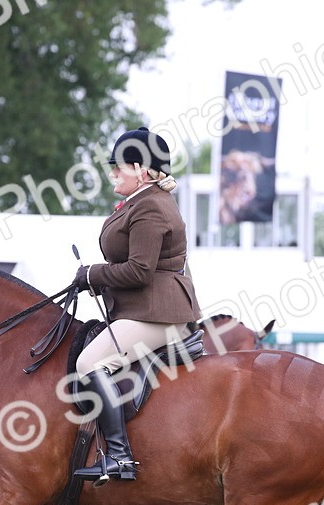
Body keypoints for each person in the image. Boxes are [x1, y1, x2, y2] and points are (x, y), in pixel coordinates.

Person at [71, 126, 202, 485]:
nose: (112, 172)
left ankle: (118, 457)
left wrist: (93, 274)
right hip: (144, 308)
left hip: (160, 313)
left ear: (142, 171)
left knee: (89, 362)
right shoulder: (141, 202)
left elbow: (141, 271)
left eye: (119, 166)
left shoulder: (152, 208)